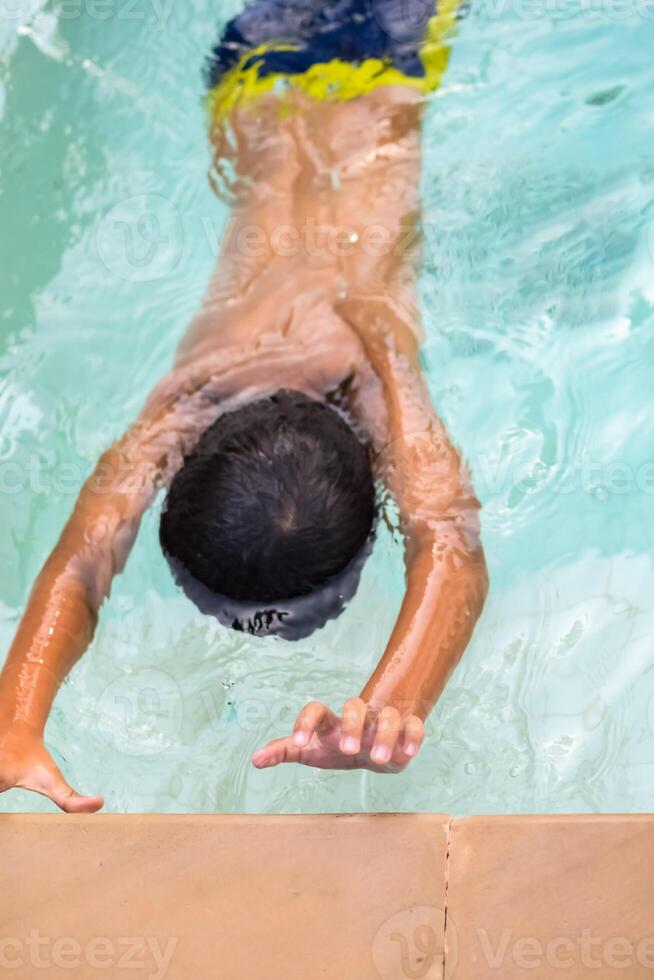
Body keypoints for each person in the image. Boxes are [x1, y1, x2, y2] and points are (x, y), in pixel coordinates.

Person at [0, 0, 488, 812]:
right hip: (249, 74)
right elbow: (446, 539)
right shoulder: (216, 393)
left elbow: (451, 547)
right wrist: (11, 723)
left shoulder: (361, 370)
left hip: (387, 61)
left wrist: (388, 708)